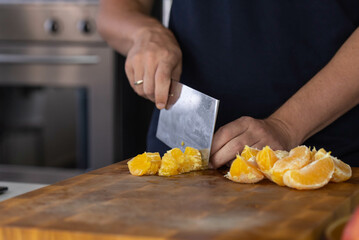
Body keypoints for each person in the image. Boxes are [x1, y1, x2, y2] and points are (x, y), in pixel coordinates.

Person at [97, 0, 359, 168]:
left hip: (324, 162)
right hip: (182, 157)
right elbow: (115, 11)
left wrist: (286, 126)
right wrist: (146, 34)